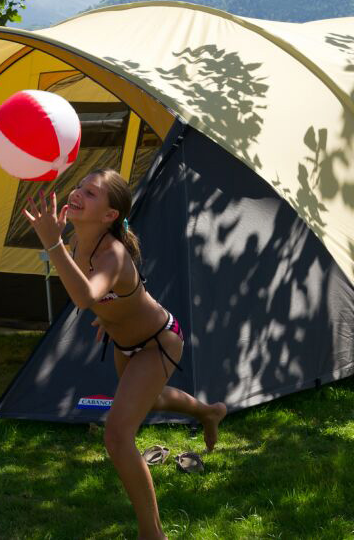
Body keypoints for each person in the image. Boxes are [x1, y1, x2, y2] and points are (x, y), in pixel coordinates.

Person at [24, 169, 227, 540]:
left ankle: (152, 535)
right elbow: (98, 297)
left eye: (91, 192)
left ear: (109, 216)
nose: (78, 193)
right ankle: (209, 412)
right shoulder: (78, 241)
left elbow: (85, 297)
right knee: (150, 399)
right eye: (80, 187)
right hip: (124, 342)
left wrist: (51, 244)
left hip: (158, 341)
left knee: (118, 436)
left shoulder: (112, 252)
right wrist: (111, 316)